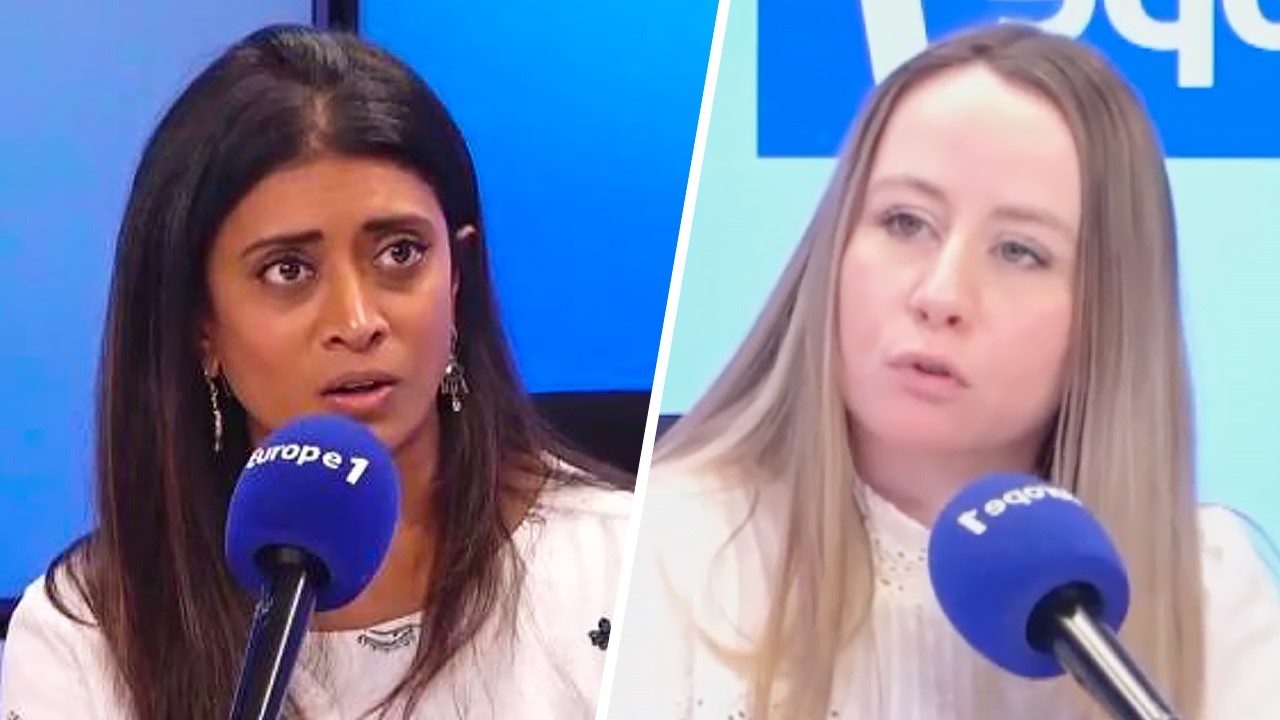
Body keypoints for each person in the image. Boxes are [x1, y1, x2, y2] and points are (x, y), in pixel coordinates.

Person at [606, 23, 1280, 720]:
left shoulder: (1207, 585)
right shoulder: (666, 544)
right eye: (905, 222)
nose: (941, 294)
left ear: (1112, 309)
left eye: (1019, 251)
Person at [0, 24, 632, 720]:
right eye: (288, 270)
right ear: (200, 326)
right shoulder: (85, 638)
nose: (358, 321)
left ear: (457, 279)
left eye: (399, 254)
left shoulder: (625, 571)